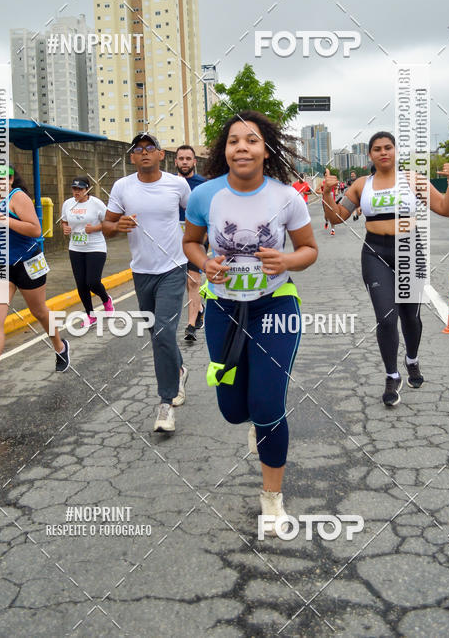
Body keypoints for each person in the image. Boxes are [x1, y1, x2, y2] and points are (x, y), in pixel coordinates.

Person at [183, 110, 318, 534]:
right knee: (232, 409)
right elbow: (190, 242)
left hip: (275, 306)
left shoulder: (286, 198)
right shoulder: (205, 196)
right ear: (224, 151)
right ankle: (255, 426)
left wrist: (287, 259)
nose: (242, 147)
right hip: (223, 309)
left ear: (265, 149)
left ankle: (272, 498)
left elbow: (309, 249)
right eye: (234, 141)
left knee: (267, 405)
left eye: (252, 140)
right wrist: (206, 263)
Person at [322, 132, 449, 407]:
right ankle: (391, 376)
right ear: (370, 155)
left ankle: (412, 359)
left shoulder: (413, 180)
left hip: (410, 251)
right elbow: (336, 217)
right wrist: (326, 192)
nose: (383, 152)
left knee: (411, 316)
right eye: (377, 149)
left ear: (396, 151)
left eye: (388, 148)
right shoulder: (362, 185)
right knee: (386, 318)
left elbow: (446, 209)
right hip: (375, 253)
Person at [102, 133, 191, 434]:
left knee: (164, 332)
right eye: (137, 150)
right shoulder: (122, 187)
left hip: (174, 267)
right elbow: (107, 226)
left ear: (161, 154)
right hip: (141, 271)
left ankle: (165, 404)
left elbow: (195, 217)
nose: (143, 153)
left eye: (149, 148)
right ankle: (179, 369)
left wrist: (199, 249)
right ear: (131, 157)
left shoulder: (177, 185)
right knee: (157, 334)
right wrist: (117, 226)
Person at [0, 166, 70, 399]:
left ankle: (60, 347)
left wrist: (3, 220)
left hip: (27, 264)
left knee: (39, 311)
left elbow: (35, 230)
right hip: (0, 266)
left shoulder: (18, 197)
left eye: (3, 178)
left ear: (11, 179)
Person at [61, 176, 114, 329]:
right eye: (74, 189)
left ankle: (106, 299)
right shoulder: (68, 204)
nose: (76, 192)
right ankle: (91, 315)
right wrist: (65, 228)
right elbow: (64, 221)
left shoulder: (96, 204)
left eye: (80, 189)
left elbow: (109, 222)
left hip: (95, 247)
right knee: (81, 284)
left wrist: (95, 228)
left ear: (87, 190)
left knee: (92, 281)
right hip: (76, 248)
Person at [175, 145, 207, 342]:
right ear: (176, 162)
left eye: (189, 158)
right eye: (181, 158)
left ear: (194, 162)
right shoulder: (168, 183)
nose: (185, 162)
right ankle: (200, 308)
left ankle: (190, 326)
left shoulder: (203, 185)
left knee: (193, 281)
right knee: (180, 282)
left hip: (197, 237)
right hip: (173, 239)